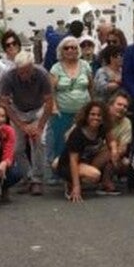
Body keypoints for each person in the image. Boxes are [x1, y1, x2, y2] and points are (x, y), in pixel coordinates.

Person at [0, 52, 54, 196]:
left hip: (38, 109)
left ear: (32, 67)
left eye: (27, 71)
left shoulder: (42, 74)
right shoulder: (8, 77)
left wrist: (39, 126)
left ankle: (37, 179)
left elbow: (49, 101)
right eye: (21, 72)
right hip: (18, 110)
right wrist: (21, 125)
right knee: (17, 147)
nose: (24, 75)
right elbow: (4, 103)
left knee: (39, 142)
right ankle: (27, 176)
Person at [48, 36, 92, 176]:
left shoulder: (85, 65)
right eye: (67, 48)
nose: (70, 50)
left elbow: (91, 87)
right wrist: (54, 107)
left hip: (83, 112)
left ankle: (79, 172)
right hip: (63, 112)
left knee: (81, 142)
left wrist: (92, 106)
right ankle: (60, 172)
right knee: (61, 143)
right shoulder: (56, 68)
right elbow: (51, 91)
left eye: (74, 47)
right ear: (61, 51)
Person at [57, 100, 118, 202]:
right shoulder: (77, 133)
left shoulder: (102, 128)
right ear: (86, 116)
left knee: (109, 152)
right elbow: (73, 161)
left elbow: (112, 141)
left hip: (86, 160)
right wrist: (77, 187)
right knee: (95, 175)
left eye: (99, 115)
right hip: (68, 164)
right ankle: (71, 183)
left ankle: (106, 181)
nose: (96, 118)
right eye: (92, 114)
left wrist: (114, 150)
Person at [105, 92, 132, 194]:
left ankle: (106, 180)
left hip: (112, 153)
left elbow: (123, 147)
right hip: (93, 152)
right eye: (119, 104)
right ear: (110, 105)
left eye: (125, 106)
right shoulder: (99, 116)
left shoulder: (127, 122)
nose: (122, 108)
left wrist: (115, 153)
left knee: (126, 163)